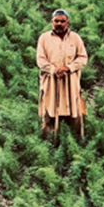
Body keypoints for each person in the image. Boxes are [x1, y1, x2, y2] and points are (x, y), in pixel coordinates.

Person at [37, 9, 88, 139]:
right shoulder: (44, 38)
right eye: (56, 21)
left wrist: (68, 68)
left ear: (67, 22)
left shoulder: (75, 38)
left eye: (62, 21)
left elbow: (83, 58)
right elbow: (40, 60)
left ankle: (77, 143)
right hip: (51, 82)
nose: (59, 23)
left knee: (74, 112)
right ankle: (47, 144)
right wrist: (54, 70)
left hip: (71, 81)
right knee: (50, 112)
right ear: (51, 22)